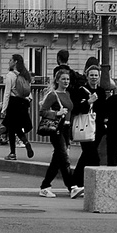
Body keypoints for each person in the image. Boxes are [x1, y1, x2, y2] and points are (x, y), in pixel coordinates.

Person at [38, 69, 78, 197]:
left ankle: (45, 186)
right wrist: (56, 113)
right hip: (57, 129)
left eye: (68, 79)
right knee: (64, 158)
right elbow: (42, 111)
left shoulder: (68, 94)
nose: (66, 81)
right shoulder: (53, 95)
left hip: (66, 129)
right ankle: (72, 187)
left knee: (57, 160)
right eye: (63, 79)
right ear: (57, 80)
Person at [70, 62, 103, 197]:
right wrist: (88, 102)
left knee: (86, 156)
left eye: (96, 75)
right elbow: (76, 108)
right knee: (93, 157)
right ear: (87, 76)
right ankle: (85, 184)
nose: (94, 78)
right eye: (91, 75)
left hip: (98, 128)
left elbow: (103, 109)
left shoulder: (101, 91)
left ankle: (76, 184)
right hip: (85, 127)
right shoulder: (81, 91)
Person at [2, 53, 34, 160]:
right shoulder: (25, 75)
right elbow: (29, 93)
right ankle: (26, 142)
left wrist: (4, 108)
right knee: (18, 127)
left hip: (13, 103)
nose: (9, 62)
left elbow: (7, 94)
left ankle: (12, 153)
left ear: (15, 62)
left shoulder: (10, 75)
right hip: (23, 103)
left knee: (11, 128)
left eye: (10, 60)